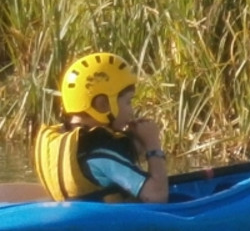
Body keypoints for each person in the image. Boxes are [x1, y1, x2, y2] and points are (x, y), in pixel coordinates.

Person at [34, 51, 169, 203]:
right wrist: (153, 145)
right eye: (128, 102)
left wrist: (137, 142)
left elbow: (112, 164)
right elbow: (157, 196)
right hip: (107, 224)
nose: (131, 110)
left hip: (73, 216)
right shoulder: (100, 151)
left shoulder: (64, 136)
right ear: (103, 105)